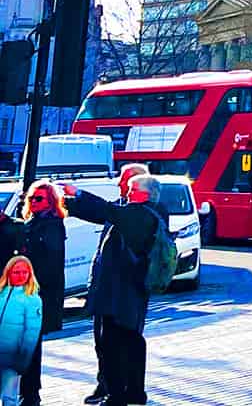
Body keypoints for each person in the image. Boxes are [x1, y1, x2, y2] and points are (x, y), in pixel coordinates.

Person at [64, 173, 166, 406]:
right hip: (130, 292)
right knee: (131, 341)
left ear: (144, 193)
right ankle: (134, 393)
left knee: (111, 344)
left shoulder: (140, 215)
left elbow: (106, 211)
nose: (127, 194)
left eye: (131, 189)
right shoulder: (150, 213)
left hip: (120, 293)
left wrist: (76, 193)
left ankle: (116, 396)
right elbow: (106, 212)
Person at [81, 162, 148, 406]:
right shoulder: (121, 208)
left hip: (125, 292)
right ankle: (107, 386)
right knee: (103, 341)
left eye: (125, 182)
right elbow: (102, 252)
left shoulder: (138, 214)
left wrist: (75, 195)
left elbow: (95, 209)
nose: (120, 185)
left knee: (120, 342)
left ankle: (122, 392)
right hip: (106, 289)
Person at [0, 180, 66, 406]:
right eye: (31, 198)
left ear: (51, 201)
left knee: (29, 345)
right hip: (26, 293)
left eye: (39, 198)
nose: (33, 202)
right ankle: (26, 393)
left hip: (36, 296)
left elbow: (48, 265)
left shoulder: (52, 226)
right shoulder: (33, 222)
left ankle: (31, 394)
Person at [0, 257, 42, 406]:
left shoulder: (32, 299)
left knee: (9, 397)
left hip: (13, 357)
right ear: (8, 273)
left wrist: (23, 360)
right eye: (16, 272)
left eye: (25, 272)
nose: (21, 276)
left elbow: (31, 333)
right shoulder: (2, 293)